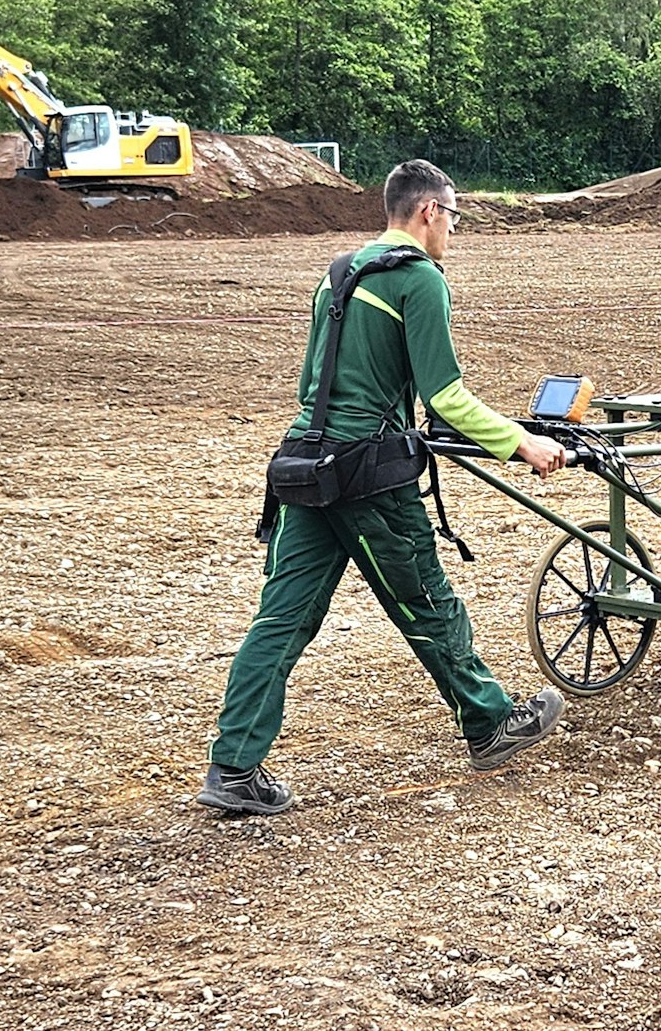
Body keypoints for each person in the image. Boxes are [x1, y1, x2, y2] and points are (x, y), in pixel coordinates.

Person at [198, 160, 570, 816]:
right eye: (453, 217)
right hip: (368, 477)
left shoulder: (340, 272)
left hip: (303, 467)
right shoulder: (418, 278)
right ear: (429, 211)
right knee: (426, 600)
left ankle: (232, 769)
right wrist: (523, 442)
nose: (453, 230)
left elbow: (312, 387)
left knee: (281, 620)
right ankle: (490, 723)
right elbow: (445, 396)